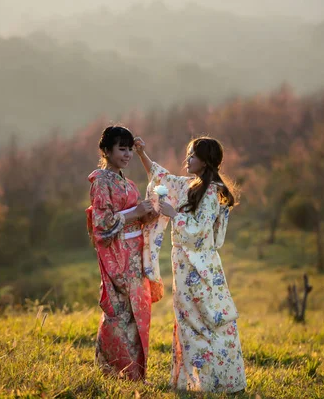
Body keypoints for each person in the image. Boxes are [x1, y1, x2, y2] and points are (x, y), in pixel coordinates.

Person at [135, 136, 247, 393]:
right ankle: (199, 382)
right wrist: (142, 154)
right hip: (187, 265)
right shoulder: (194, 185)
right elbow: (166, 180)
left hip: (200, 267)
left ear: (206, 161)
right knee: (190, 319)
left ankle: (215, 382)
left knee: (205, 320)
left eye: (192, 156)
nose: (187, 160)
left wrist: (174, 215)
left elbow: (200, 232)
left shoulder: (212, 192)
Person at [86, 125, 157, 381]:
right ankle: (112, 372)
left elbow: (134, 218)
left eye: (129, 149)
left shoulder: (127, 183)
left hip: (135, 255)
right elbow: (101, 224)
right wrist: (134, 213)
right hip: (116, 255)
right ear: (106, 150)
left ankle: (135, 375)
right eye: (121, 149)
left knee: (137, 314)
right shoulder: (101, 182)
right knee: (117, 314)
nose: (127, 154)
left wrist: (147, 214)